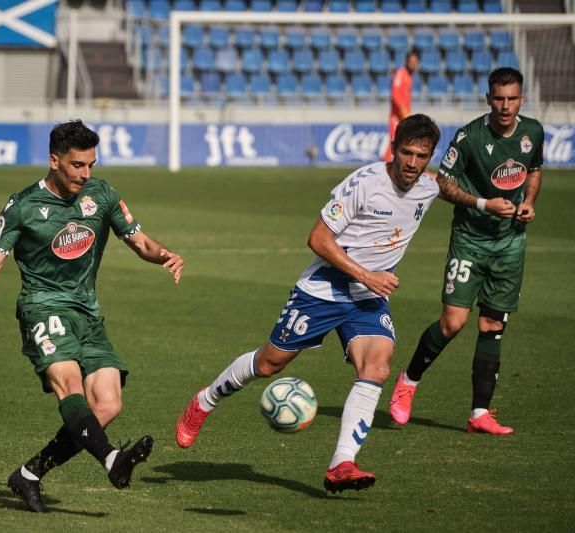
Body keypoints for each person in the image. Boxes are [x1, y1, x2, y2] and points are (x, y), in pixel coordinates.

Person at [176, 114, 441, 493]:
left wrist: (485, 202)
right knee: (269, 364)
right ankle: (205, 400)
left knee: (377, 366)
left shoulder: (428, 186)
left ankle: (341, 464)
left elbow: (449, 187)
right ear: (393, 148)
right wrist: (367, 275)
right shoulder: (365, 184)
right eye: (406, 153)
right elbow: (317, 238)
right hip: (324, 289)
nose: (412, 163)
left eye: (422, 155)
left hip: (367, 299)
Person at [0, 120, 184, 512]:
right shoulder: (22, 205)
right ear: (54, 161)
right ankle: (111, 459)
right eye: (77, 165)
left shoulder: (101, 194)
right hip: (43, 307)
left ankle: (29, 474)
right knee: (70, 384)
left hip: (87, 312)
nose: (85, 174)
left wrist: (164, 255)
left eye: (90, 164)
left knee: (108, 405)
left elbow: (139, 240)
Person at [389, 67, 544, 435]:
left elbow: (534, 170)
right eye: (499, 98)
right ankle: (408, 382)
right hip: (471, 240)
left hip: (511, 243)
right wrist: (482, 204)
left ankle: (479, 414)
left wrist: (529, 202)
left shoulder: (533, 132)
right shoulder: (470, 136)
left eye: (512, 98)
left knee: (492, 325)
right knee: (453, 323)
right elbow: (443, 183)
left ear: (522, 99)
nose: (505, 106)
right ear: (488, 99)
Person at [382, 48, 420, 162]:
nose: (413, 64)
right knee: (395, 142)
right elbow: (395, 96)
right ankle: (382, 169)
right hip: (397, 117)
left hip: (404, 116)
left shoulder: (409, 77)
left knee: (400, 144)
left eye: (415, 62)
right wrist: (404, 112)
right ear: (406, 61)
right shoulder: (400, 74)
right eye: (411, 61)